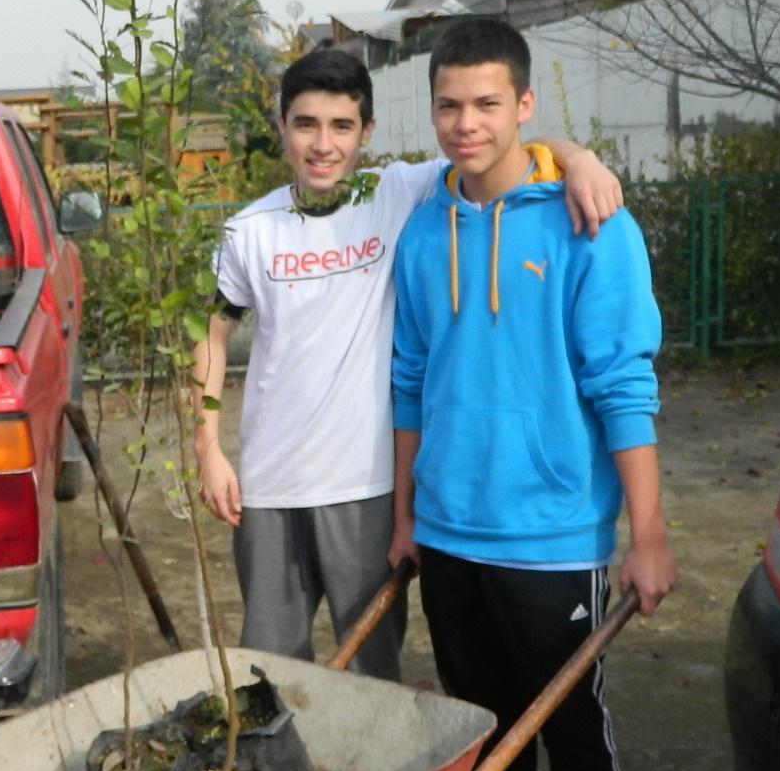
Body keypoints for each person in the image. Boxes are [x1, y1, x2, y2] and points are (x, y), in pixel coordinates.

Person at [387, 15, 674, 771]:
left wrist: (647, 535)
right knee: (478, 721)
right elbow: (407, 376)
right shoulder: (425, 225)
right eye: (446, 106)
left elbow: (621, 382)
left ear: (522, 107)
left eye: (482, 104)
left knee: (568, 723)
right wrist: (402, 518)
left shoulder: (591, 222)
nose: (463, 124)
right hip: (447, 526)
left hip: (552, 533)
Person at [189, 46, 622, 682]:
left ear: (367, 132)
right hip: (268, 487)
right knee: (267, 670)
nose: (323, 145)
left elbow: (503, 147)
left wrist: (578, 160)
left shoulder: (398, 191)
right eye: (305, 124)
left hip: (368, 488)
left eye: (341, 127)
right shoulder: (249, 231)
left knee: (372, 670)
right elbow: (208, 333)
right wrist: (208, 449)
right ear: (281, 126)